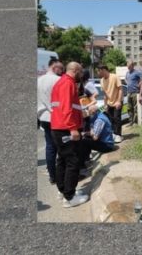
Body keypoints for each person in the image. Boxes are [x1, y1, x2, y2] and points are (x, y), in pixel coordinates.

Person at [51, 61, 89, 207]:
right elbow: (67, 108)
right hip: (66, 128)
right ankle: (70, 197)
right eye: (80, 72)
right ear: (75, 71)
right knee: (73, 161)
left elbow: (58, 106)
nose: (82, 75)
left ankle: (63, 190)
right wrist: (73, 128)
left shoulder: (60, 82)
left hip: (58, 127)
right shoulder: (68, 83)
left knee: (62, 160)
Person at [37, 57, 63, 186]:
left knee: (49, 146)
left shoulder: (38, 80)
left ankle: (52, 176)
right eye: (60, 68)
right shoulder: (58, 80)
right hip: (56, 116)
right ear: (54, 67)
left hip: (43, 117)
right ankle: (59, 175)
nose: (61, 70)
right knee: (60, 145)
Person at [96, 64, 124, 141]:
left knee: (117, 118)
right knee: (110, 119)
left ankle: (118, 135)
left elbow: (120, 89)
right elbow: (105, 93)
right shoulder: (101, 80)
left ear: (103, 70)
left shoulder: (114, 77)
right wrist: (105, 105)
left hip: (117, 101)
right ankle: (114, 134)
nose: (98, 73)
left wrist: (118, 101)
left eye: (98, 71)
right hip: (109, 102)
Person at [124, 61, 142, 128]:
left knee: (135, 108)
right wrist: (127, 82)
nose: (128, 67)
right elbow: (125, 79)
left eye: (129, 66)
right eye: (127, 66)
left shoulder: (137, 72)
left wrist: (139, 84)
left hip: (135, 92)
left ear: (132, 66)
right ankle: (130, 121)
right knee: (129, 107)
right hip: (129, 92)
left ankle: (135, 122)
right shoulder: (127, 73)